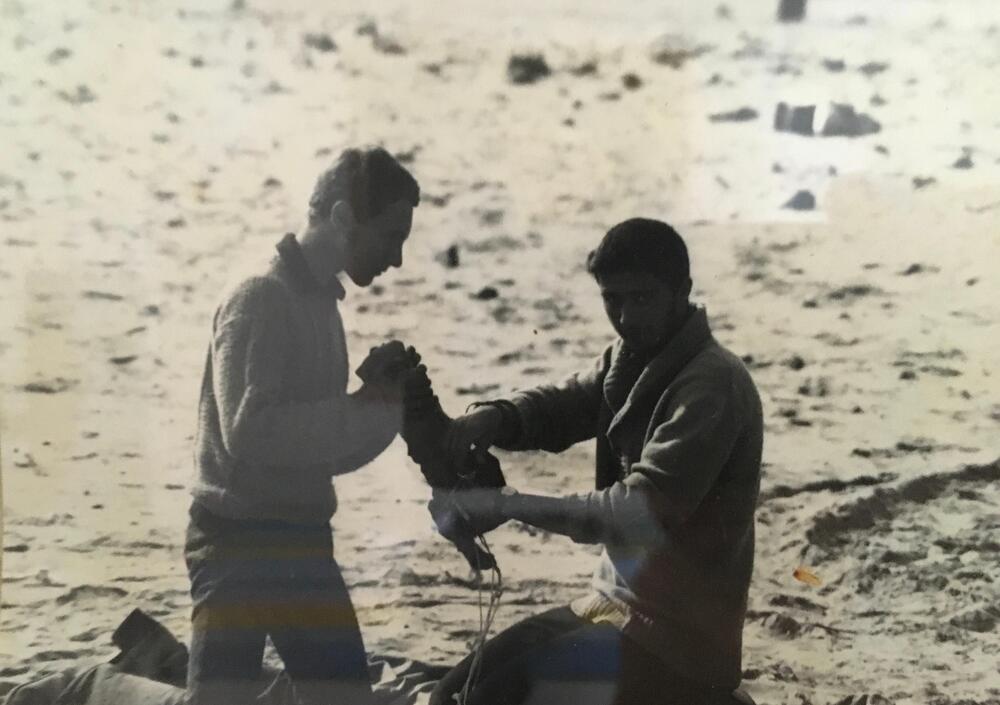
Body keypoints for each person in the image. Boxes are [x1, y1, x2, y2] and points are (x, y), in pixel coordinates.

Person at [430, 218, 763, 705]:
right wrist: (496, 417)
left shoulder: (713, 385)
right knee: (451, 694)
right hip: (610, 604)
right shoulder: (629, 358)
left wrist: (508, 504)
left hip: (681, 643)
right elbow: (563, 406)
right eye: (612, 300)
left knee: (490, 700)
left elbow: (630, 512)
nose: (625, 317)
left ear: (682, 292)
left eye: (642, 298)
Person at [185, 146, 420, 705]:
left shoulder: (320, 303)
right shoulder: (261, 296)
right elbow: (251, 433)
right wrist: (364, 408)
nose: (397, 259)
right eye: (390, 237)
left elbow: (320, 454)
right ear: (342, 217)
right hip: (234, 542)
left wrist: (385, 409)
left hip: (301, 540)